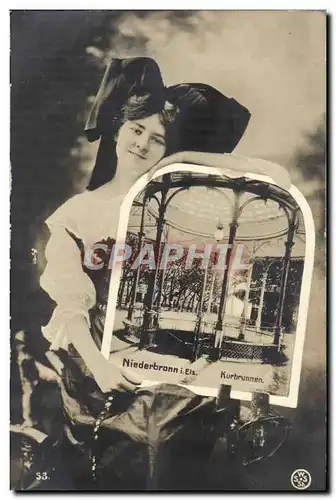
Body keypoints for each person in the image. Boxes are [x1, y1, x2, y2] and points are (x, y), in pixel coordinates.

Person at [36, 57, 261, 490]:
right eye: (136, 129)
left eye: (157, 139)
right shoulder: (78, 214)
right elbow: (70, 306)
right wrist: (101, 367)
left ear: (168, 149)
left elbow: (274, 177)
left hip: (172, 370)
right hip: (99, 371)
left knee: (172, 459)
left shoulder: (183, 210)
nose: (141, 144)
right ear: (118, 129)